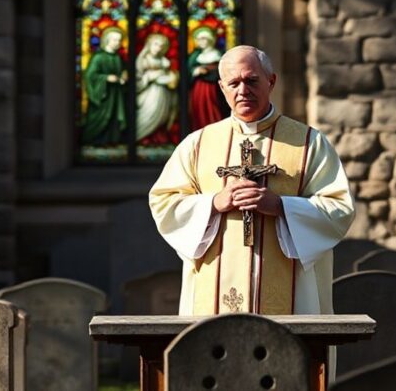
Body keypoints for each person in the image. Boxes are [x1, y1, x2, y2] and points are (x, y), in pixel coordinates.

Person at [149, 45, 355, 316]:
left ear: (271, 81)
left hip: (290, 296)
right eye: (233, 83)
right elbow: (164, 203)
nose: (243, 90)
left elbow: (339, 208)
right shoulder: (197, 144)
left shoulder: (309, 143)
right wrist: (214, 203)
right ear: (222, 88)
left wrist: (281, 206)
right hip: (213, 294)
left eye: (252, 80)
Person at [81, 28, 127, 145]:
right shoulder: (98, 57)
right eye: (114, 40)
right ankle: (94, 141)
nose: (117, 43)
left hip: (115, 95)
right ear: (107, 40)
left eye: (119, 40)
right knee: (99, 118)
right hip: (102, 94)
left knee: (113, 118)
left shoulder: (118, 57)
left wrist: (123, 77)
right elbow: (90, 76)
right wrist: (105, 78)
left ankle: (112, 141)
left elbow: (121, 73)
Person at [135, 33, 179, 142]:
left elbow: (169, 74)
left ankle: (156, 138)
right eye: (155, 44)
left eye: (161, 46)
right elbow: (136, 78)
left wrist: (171, 77)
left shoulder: (164, 61)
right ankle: (141, 137)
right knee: (148, 113)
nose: (158, 48)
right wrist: (148, 77)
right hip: (148, 93)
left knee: (162, 116)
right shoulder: (143, 60)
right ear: (149, 45)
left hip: (163, 93)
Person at [188, 26, 229, 131]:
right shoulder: (195, 56)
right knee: (198, 109)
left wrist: (209, 70)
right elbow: (189, 71)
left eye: (203, 38)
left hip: (213, 88)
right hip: (198, 88)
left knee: (213, 109)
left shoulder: (217, 54)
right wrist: (195, 71)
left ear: (210, 39)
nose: (200, 41)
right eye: (198, 39)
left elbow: (222, 70)